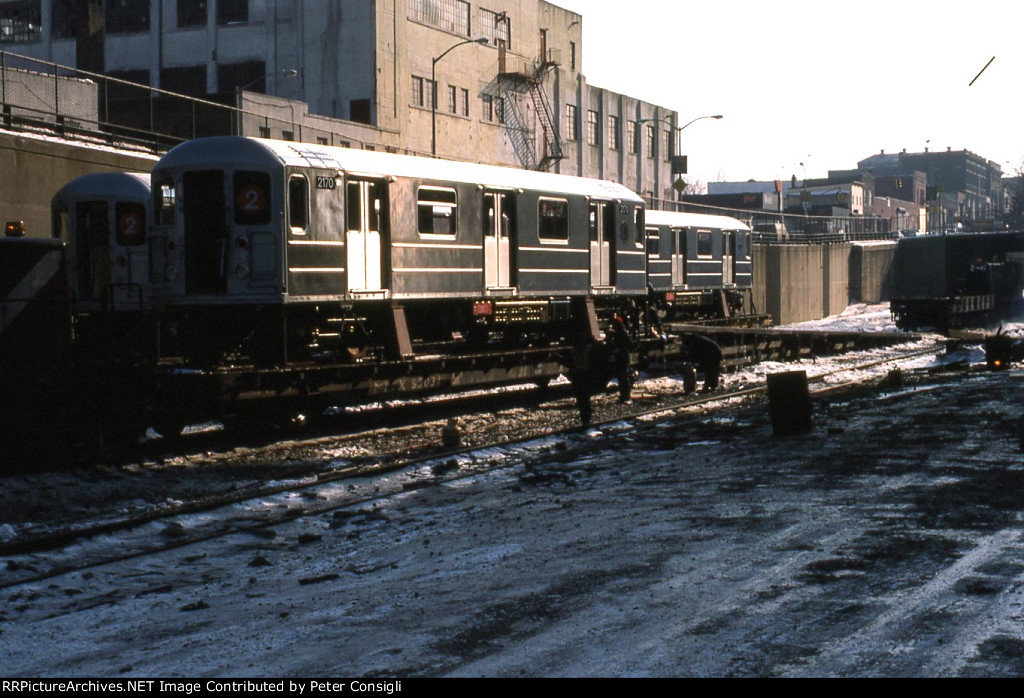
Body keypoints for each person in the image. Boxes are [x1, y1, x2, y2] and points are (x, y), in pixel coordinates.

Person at [608, 316, 633, 404]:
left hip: (622, 358)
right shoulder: (620, 332)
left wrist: (619, 349)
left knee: (624, 378)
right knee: (622, 378)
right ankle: (624, 396)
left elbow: (629, 344)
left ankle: (626, 397)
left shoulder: (622, 333)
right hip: (621, 357)